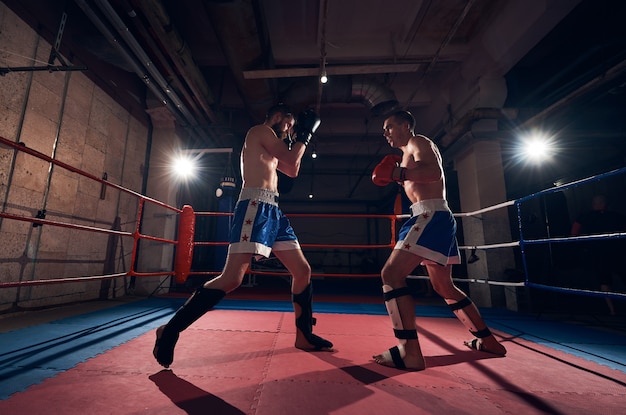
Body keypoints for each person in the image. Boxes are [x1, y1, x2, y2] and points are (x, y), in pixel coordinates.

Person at [153, 104, 333, 368]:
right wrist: (304, 136)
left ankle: (304, 335)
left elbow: (292, 170)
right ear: (277, 116)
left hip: (274, 210)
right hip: (254, 205)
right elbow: (293, 159)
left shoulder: (272, 148)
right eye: (288, 124)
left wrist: (300, 138)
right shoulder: (258, 131)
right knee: (232, 278)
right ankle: (170, 330)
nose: (290, 129)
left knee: (302, 270)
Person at [370, 110, 506, 371]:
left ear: (406, 125)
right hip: (434, 216)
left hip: (430, 215)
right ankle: (488, 341)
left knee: (390, 275)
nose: (384, 132)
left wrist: (398, 173)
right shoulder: (407, 153)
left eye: (389, 126)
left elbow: (432, 172)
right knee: (444, 286)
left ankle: (408, 351)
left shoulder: (417, 142)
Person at [570, 194, 626, 316]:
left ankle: (612, 310)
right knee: (622, 276)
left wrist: (581, 247)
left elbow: (574, 234)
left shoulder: (584, 217)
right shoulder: (617, 216)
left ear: (593, 203)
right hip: (617, 252)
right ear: (606, 204)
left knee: (604, 282)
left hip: (598, 253)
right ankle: (612, 309)